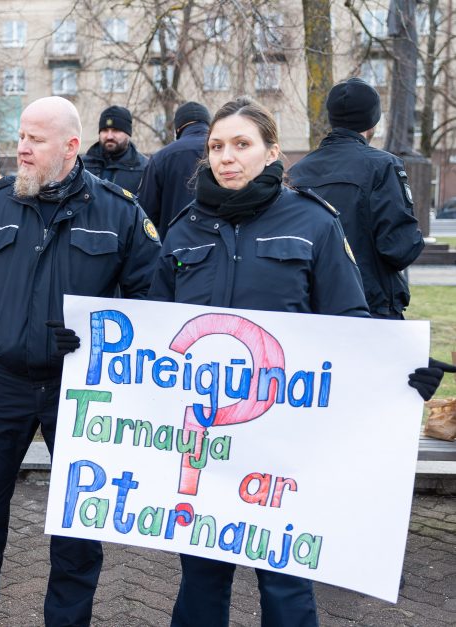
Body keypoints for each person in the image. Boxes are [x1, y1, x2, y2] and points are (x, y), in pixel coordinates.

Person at [63, 95, 445, 627]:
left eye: (242, 144)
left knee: (286, 584)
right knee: (201, 577)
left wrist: (397, 372)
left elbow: (350, 322)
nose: (226, 156)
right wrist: (90, 347)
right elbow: (153, 330)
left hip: (281, 449)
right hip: (203, 445)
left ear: (271, 153)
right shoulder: (184, 229)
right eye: (217, 146)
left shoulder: (313, 224)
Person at [0, 96, 162, 626]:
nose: (22, 148)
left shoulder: (119, 212)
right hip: (0, 382)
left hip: (81, 391)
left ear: (70, 146)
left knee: (78, 525)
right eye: (21, 136)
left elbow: (153, 297)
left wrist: (103, 335)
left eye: (36, 139)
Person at [289, 77, 425, 319]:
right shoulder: (383, 166)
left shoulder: (297, 171)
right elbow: (399, 249)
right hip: (371, 307)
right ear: (373, 121)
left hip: (314, 307)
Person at [138, 101, 211, 236]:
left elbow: (145, 214)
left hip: (175, 248)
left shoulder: (161, 158)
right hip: (219, 248)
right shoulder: (224, 153)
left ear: (178, 128)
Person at [81, 105, 148, 193]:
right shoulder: (82, 165)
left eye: (116, 130)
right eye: (105, 130)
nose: (109, 136)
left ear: (128, 134)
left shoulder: (144, 168)